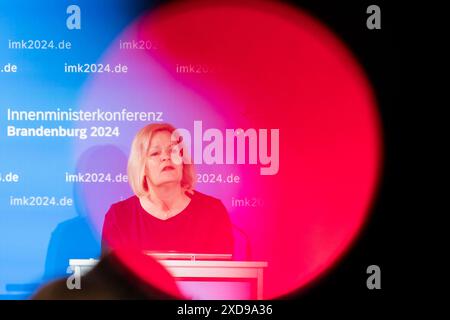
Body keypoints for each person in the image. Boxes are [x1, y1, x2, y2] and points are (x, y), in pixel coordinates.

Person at [102, 123, 234, 256]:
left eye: (173, 151)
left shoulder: (212, 212)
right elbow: (111, 276)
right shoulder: (120, 218)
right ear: (142, 167)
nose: (166, 157)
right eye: (155, 153)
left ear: (183, 162)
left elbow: (219, 274)